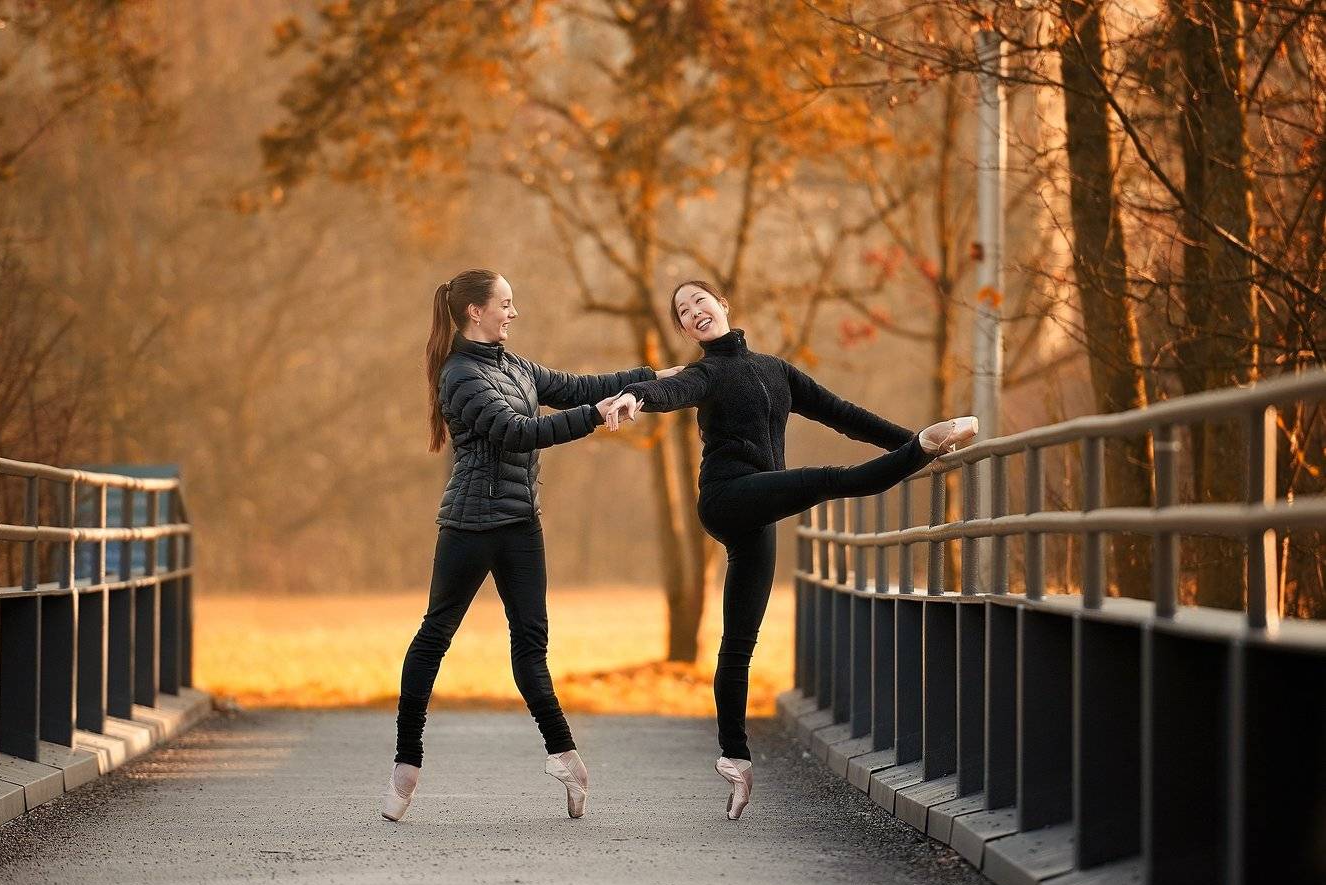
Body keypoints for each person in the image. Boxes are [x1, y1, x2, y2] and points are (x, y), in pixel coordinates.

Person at [604, 279, 976, 819]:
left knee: (738, 644)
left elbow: (844, 415)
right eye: (683, 313)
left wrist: (903, 434)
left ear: (723, 303)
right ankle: (922, 450)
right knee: (827, 480)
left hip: (760, 510)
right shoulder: (704, 372)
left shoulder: (777, 371)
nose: (694, 313)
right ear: (684, 330)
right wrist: (637, 394)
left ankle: (734, 761)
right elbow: (671, 393)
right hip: (728, 498)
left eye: (699, 301)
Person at [383, 268, 682, 822]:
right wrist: (595, 417)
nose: (514, 312)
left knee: (531, 648)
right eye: (507, 303)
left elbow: (579, 386)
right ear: (476, 311)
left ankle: (563, 756)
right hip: (470, 527)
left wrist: (656, 378)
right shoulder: (460, 377)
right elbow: (518, 432)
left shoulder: (516, 367)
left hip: (520, 523)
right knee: (434, 637)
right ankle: (407, 762)